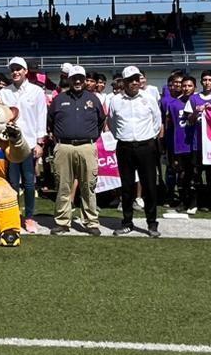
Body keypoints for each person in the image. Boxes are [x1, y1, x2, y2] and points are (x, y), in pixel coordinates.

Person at [47, 65, 105, 234]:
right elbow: (50, 121)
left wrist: (89, 137)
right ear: (69, 80)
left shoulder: (93, 99)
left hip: (87, 146)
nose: (78, 81)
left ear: (85, 79)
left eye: (81, 78)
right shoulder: (59, 99)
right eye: (74, 78)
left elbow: (101, 121)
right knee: (63, 186)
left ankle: (91, 222)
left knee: (89, 186)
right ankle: (63, 222)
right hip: (64, 147)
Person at [106, 66, 162, 237]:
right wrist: (124, 137)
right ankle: (127, 222)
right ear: (123, 82)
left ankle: (152, 223)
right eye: (130, 80)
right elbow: (113, 123)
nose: (135, 83)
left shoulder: (149, 97)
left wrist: (147, 138)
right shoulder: (115, 100)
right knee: (127, 187)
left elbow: (156, 121)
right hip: (124, 147)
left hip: (146, 146)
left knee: (150, 186)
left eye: (137, 79)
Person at [0, 56, 48, 233]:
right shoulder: (4, 93)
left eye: (19, 69)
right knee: (12, 183)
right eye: (12, 69)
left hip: (29, 143)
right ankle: (13, 215)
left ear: (26, 71)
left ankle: (29, 218)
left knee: (28, 182)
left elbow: (41, 117)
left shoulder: (36, 92)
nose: (15, 72)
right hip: (10, 144)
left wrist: (40, 142)